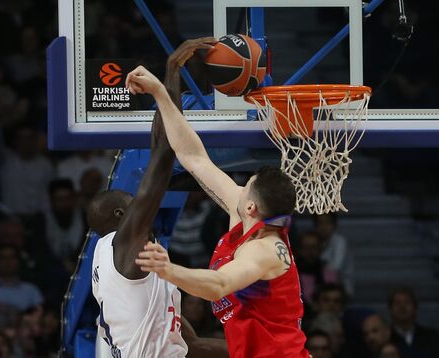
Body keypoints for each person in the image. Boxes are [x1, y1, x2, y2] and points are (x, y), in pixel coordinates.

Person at [129, 67, 310, 357]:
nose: (239, 188)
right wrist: (161, 94)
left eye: (246, 187)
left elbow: (220, 285)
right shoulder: (245, 215)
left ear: (251, 206)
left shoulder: (264, 250)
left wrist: (168, 269)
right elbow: (194, 158)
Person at [87, 37, 227, 358]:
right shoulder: (123, 245)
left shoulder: (127, 270)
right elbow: (164, 156)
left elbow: (191, 347)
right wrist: (170, 73)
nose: (143, 205)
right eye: (133, 202)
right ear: (123, 217)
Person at [388, 287, 439, 358]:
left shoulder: (432, 338)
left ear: (415, 308)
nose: (402, 306)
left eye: (407, 302)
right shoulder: (385, 338)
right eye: (397, 303)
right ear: (390, 309)